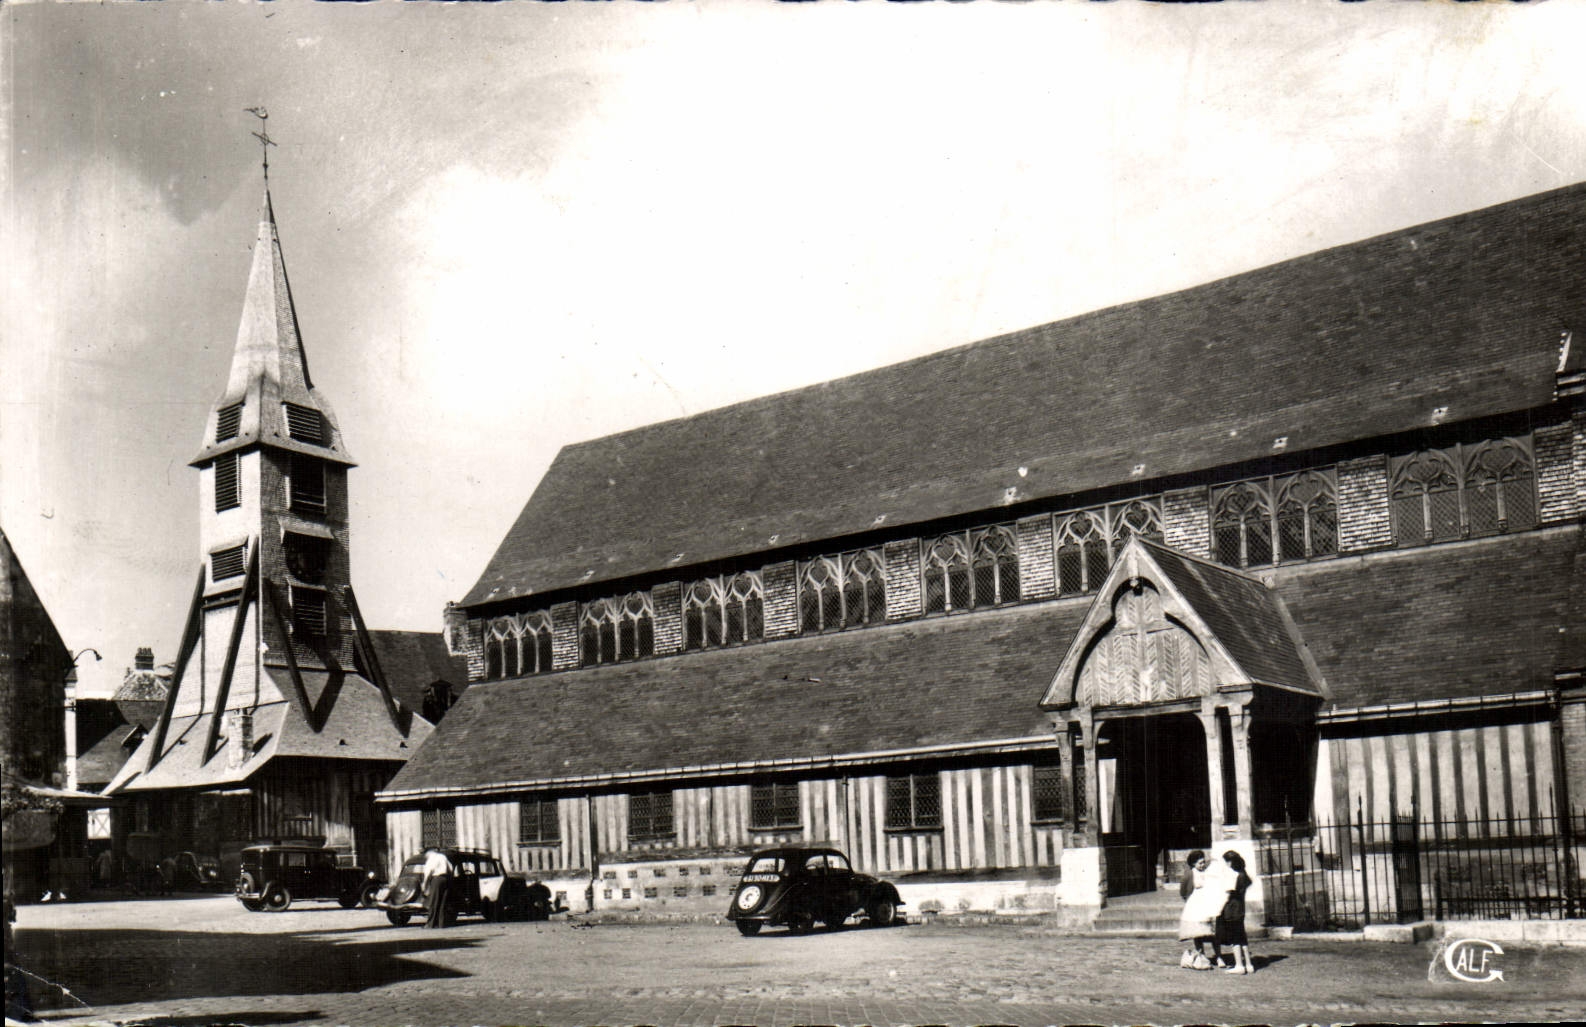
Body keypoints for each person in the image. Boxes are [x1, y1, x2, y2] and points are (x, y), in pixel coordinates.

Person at [1177, 850, 1228, 970]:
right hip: (1196, 906)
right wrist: (1190, 901)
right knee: (1198, 932)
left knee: (1213, 932)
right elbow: (1183, 891)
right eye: (1200, 863)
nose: (1202, 865)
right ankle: (1201, 956)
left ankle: (1219, 956)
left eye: (1204, 862)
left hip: (1209, 904)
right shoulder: (1190, 874)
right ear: (1193, 863)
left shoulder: (1208, 873)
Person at [1216, 850, 1255, 974]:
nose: (1226, 864)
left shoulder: (1234, 876)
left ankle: (1239, 965)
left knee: (1234, 937)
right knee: (1241, 936)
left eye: (1226, 862)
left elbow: (1227, 894)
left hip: (1232, 909)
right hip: (1240, 908)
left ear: (1231, 862)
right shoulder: (1243, 874)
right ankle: (1248, 964)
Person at [420, 848, 454, 929]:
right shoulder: (443, 857)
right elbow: (451, 868)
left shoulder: (431, 859)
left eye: (425, 855)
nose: (425, 857)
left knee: (434, 902)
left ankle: (430, 924)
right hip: (445, 879)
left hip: (436, 879)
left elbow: (428, 873)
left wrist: (424, 885)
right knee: (442, 903)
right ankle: (440, 924)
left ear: (429, 852)